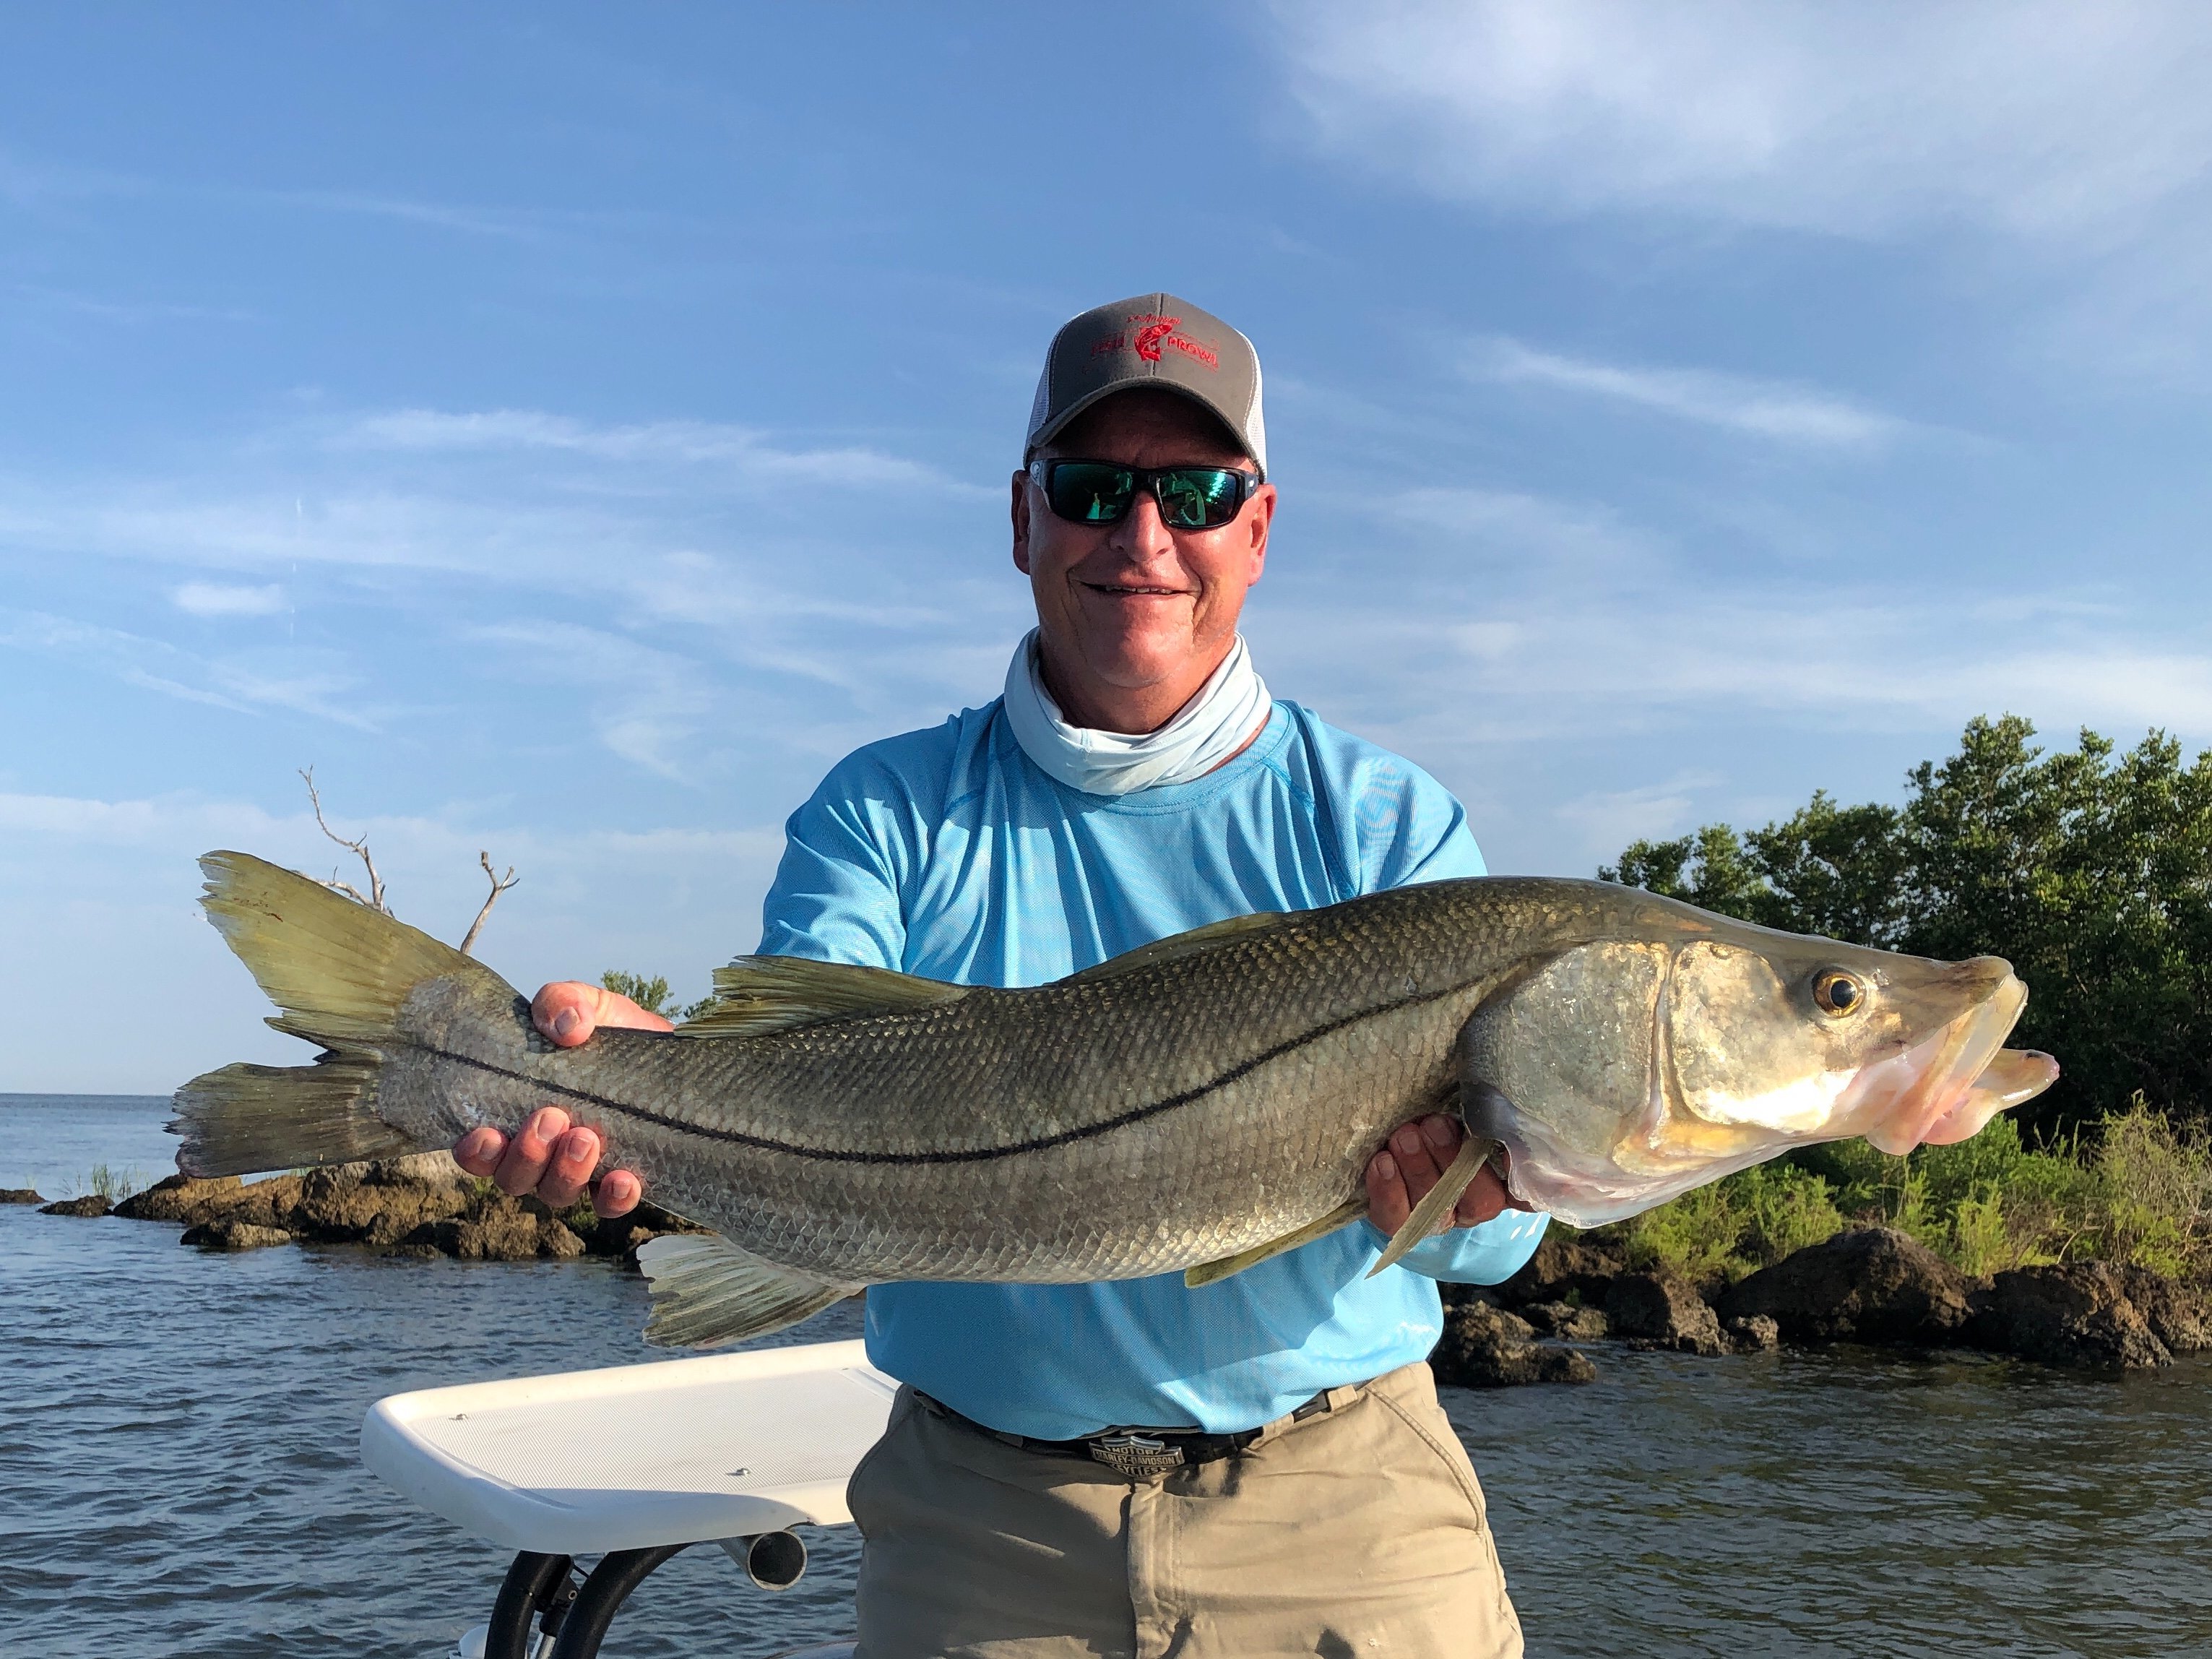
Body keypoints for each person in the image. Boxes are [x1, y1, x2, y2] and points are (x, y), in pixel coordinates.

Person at [456, 293, 1548, 1658]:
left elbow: (1503, 1242)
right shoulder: (886, 808)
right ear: (1024, 519)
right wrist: (639, 1078)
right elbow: (796, 1068)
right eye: (1092, 490)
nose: (1141, 538)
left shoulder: (1387, 826)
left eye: (1194, 492)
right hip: (980, 1517)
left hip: (1342, 1502)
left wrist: (1465, 1201)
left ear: (1255, 531)